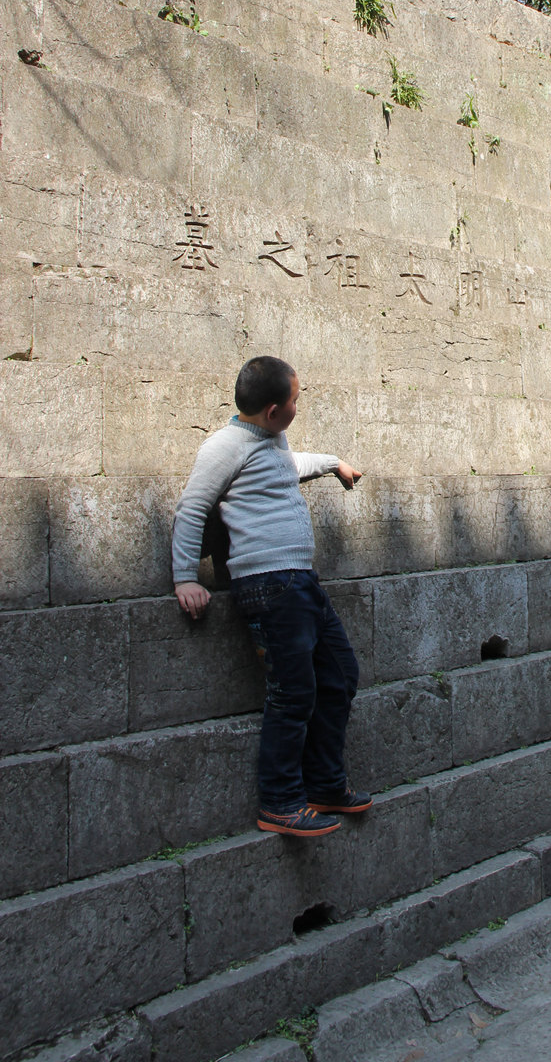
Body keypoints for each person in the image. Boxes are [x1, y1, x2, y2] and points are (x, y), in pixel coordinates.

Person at [172, 355, 371, 838]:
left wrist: (331, 464)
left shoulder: (270, 440)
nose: (299, 406)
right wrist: (186, 578)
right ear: (275, 410)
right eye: (297, 400)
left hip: (300, 582)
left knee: (341, 675)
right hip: (268, 585)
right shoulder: (223, 446)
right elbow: (192, 507)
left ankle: (324, 784)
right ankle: (281, 801)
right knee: (293, 693)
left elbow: (288, 467)